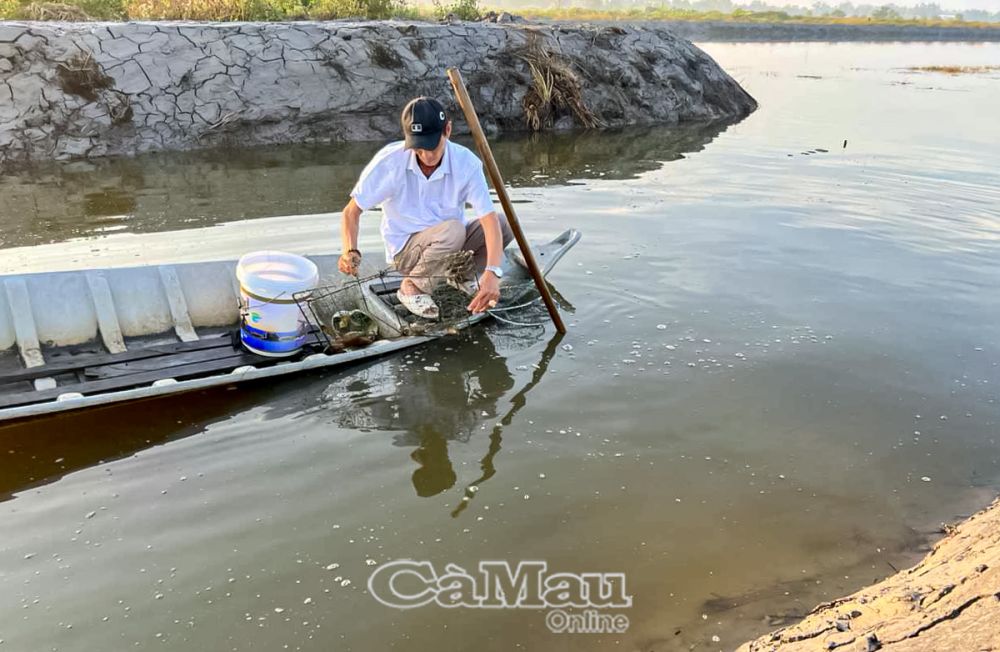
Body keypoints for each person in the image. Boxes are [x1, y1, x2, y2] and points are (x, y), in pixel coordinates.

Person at [338, 97, 514, 319]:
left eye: (434, 146)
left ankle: (461, 277)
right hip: (406, 253)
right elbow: (351, 212)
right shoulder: (390, 162)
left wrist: (492, 272)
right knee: (453, 230)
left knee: (503, 223)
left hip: (450, 245)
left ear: (447, 130)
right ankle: (411, 287)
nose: (427, 156)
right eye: (419, 149)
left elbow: (488, 221)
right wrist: (350, 251)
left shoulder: (466, 164)